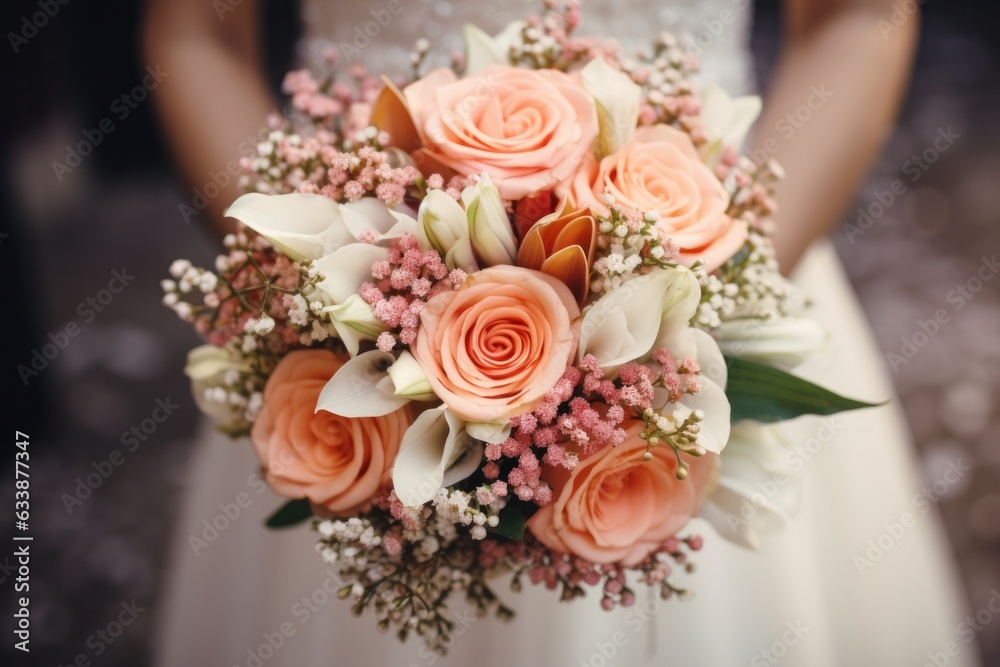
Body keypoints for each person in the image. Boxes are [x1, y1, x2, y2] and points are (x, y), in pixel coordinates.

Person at [145, 1, 978, 665]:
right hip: (357, 330)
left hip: (710, 289)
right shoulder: (347, 320)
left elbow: (858, 14)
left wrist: (701, 315)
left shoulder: (703, 315)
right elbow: (196, 32)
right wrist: (329, 301)